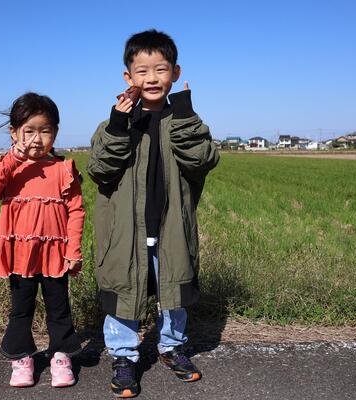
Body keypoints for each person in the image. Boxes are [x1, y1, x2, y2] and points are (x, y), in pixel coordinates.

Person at [87, 29, 219, 397]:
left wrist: (187, 114)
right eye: (142, 71)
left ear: (175, 73)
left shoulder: (183, 122)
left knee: (173, 288)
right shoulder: (116, 123)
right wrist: (117, 124)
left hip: (171, 226)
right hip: (125, 230)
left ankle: (172, 348)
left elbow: (204, 159)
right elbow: (99, 169)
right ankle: (124, 357)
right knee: (124, 289)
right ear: (128, 78)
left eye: (160, 69)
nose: (152, 78)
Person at [0, 92, 84, 388]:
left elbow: (76, 211)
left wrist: (73, 250)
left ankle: (61, 356)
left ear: (56, 132)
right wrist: (14, 157)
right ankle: (22, 358)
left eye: (45, 130)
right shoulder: (9, 167)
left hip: (55, 255)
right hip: (20, 255)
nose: (37, 139)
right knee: (21, 308)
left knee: (59, 307)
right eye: (29, 131)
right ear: (14, 133)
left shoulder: (64, 169)